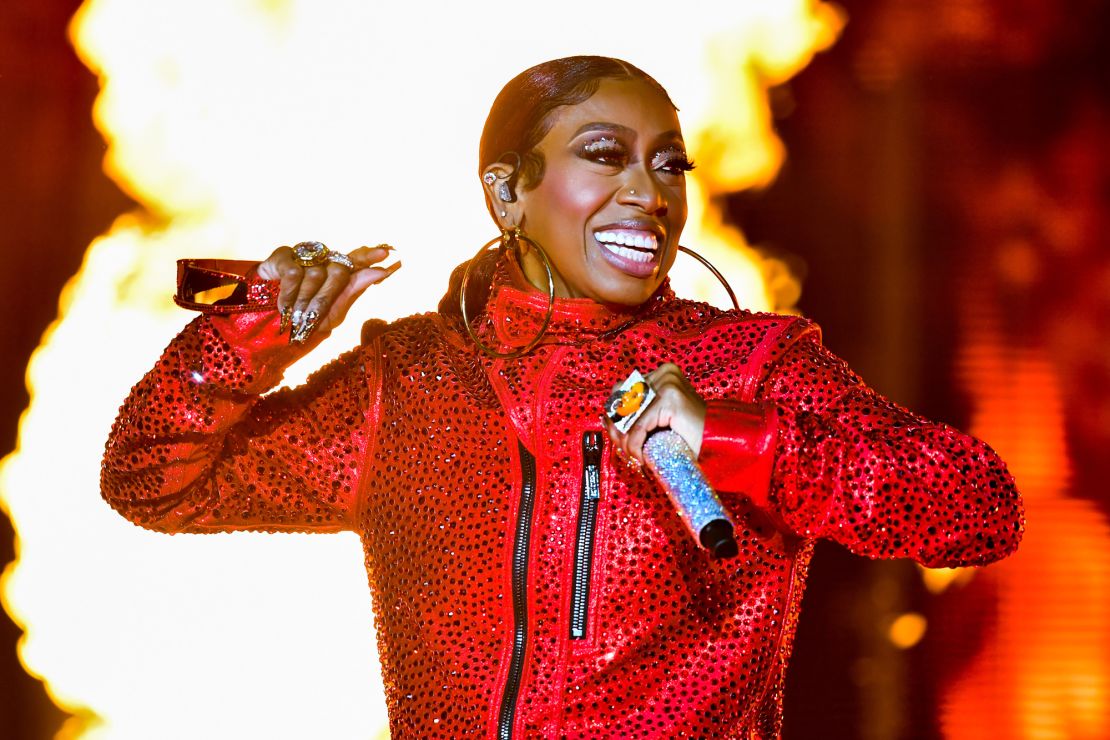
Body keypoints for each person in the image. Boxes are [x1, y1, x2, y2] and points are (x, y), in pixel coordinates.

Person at [101, 56, 1024, 738]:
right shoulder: (409, 384)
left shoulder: (750, 363)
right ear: (508, 192)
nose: (648, 194)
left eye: (669, 166)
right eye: (604, 155)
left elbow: (975, 511)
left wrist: (740, 440)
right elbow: (150, 481)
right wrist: (258, 325)